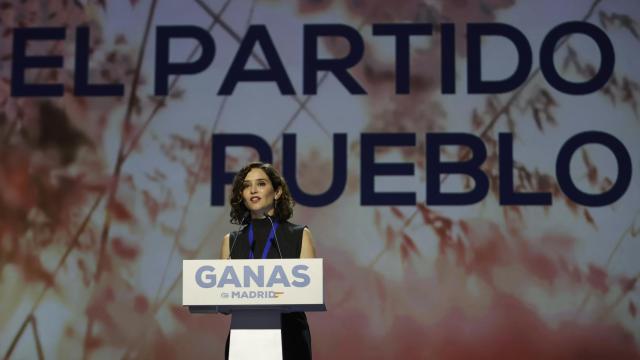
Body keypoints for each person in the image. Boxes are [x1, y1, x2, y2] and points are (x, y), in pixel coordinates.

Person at [220, 161, 316, 360]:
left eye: (261, 183)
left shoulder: (300, 235)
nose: (253, 189)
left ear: (278, 192)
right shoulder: (231, 241)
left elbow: (310, 293)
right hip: (243, 340)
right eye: (246, 186)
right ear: (241, 195)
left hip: (289, 339)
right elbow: (223, 300)